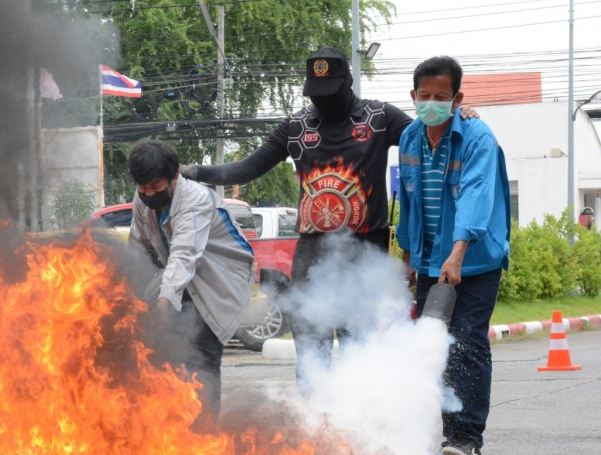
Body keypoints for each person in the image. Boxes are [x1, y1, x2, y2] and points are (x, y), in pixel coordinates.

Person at [183, 47, 456, 385]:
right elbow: (248, 168)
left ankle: (360, 415)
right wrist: (195, 172)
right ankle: (313, 416)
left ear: (348, 83)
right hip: (310, 256)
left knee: (360, 349)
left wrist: (460, 118)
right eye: (316, 94)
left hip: (364, 256)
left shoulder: (379, 118)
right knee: (312, 351)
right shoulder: (296, 126)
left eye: (330, 92)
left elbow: (430, 137)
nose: (323, 101)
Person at [396, 56, 511, 455]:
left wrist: (458, 252)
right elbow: (408, 200)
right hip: (430, 261)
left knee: (467, 340)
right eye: (424, 96)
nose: (431, 103)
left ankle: (467, 439)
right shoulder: (409, 138)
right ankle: (450, 436)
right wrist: (408, 255)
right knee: (436, 346)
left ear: (457, 99)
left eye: (440, 97)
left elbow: (476, 196)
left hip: (475, 260)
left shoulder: (478, 137)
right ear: (413, 96)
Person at [126, 138, 255, 430]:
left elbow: (184, 255)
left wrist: (162, 307)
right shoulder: (142, 197)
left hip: (219, 277)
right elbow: (138, 248)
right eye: (143, 187)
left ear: (174, 176)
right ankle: (174, 427)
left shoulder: (194, 199)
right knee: (162, 352)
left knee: (202, 354)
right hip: (178, 276)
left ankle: (205, 436)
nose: (149, 193)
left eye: (155, 186)